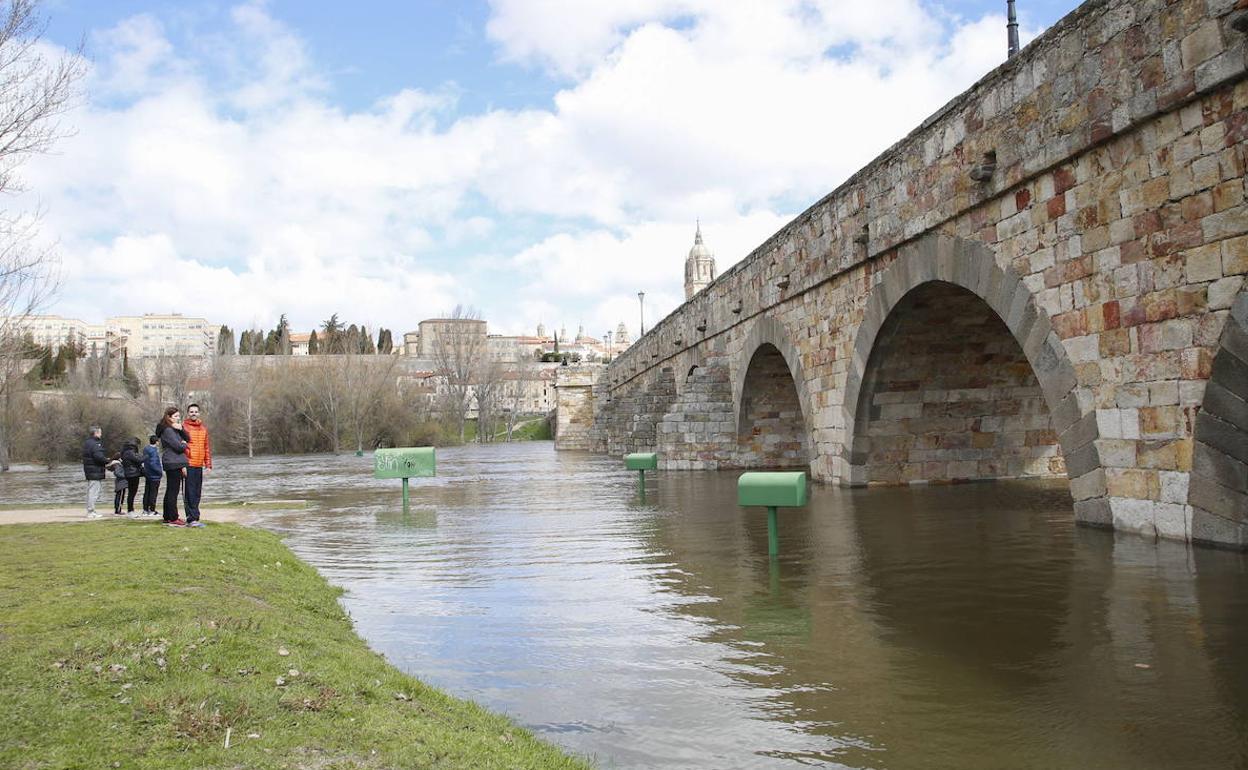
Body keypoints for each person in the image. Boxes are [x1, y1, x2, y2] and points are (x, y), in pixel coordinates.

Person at [157, 407, 190, 527]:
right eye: (175, 416)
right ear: (169, 417)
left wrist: (181, 429)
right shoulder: (168, 431)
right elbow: (178, 446)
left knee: (170, 490)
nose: (178, 418)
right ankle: (173, 517)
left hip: (174, 461)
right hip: (173, 462)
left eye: (178, 416)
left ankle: (167, 516)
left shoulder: (174, 429)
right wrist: (183, 445)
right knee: (173, 491)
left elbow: (188, 438)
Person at [182, 403, 212, 528]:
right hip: (188, 463)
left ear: (199, 413)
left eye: (195, 411)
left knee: (197, 492)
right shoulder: (183, 427)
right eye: (191, 412)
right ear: (188, 413)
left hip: (199, 464)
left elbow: (206, 447)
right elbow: (181, 447)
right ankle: (191, 518)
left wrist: (208, 465)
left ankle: (195, 517)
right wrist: (182, 465)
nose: (193, 413)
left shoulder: (203, 429)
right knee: (189, 492)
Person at [81, 426, 108, 520]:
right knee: (93, 492)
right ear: (96, 433)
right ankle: (91, 511)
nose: (101, 434)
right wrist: (108, 461)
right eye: (100, 433)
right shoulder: (95, 444)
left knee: (91, 491)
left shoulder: (87, 443)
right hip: (95, 471)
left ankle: (91, 510)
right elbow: (99, 457)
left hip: (90, 470)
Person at [120, 437, 143, 517]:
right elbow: (138, 460)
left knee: (131, 492)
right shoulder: (130, 452)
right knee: (132, 492)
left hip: (129, 473)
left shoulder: (125, 451)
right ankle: (130, 510)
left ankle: (131, 510)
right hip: (133, 473)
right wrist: (146, 457)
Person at [141, 435, 163, 515]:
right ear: (156, 442)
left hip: (148, 473)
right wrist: (160, 471)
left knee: (147, 492)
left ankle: (145, 509)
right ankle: (152, 509)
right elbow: (153, 463)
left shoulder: (146, 449)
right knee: (153, 493)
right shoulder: (153, 451)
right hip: (154, 475)